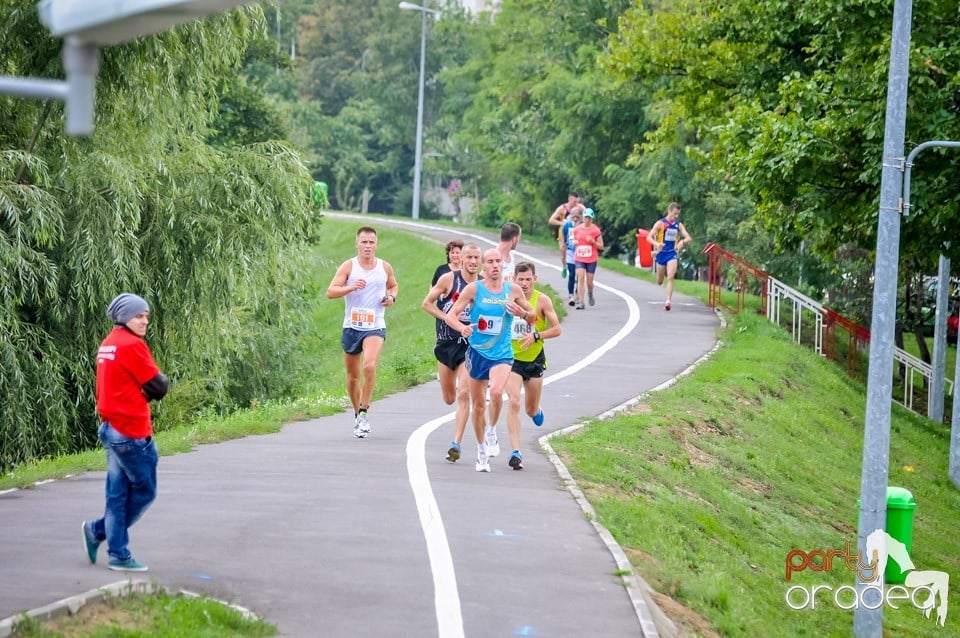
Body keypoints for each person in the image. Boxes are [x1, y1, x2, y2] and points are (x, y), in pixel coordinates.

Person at [82, 293, 169, 573]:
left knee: (117, 495)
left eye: (146, 316)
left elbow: (119, 383)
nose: (144, 321)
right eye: (138, 316)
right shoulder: (132, 345)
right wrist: (148, 389)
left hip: (110, 427)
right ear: (124, 317)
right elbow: (160, 386)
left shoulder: (108, 344)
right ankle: (99, 531)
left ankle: (116, 551)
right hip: (130, 431)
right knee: (145, 491)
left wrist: (143, 388)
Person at [443, 248, 533, 472]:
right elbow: (451, 316)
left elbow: (532, 315)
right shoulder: (474, 289)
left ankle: (492, 431)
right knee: (479, 406)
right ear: (484, 267)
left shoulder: (512, 289)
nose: (494, 265)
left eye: (497, 261)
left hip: (502, 353)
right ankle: (481, 451)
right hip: (477, 353)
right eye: (490, 262)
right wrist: (462, 328)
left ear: (502, 265)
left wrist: (521, 313)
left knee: (495, 393)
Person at [326, 226, 399, 437]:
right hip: (352, 326)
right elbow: (331, 292)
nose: (368, 246)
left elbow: (393, 286)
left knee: (369, 365)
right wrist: (350, 287)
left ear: (376, 244)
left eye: (371, 242)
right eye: (364, 242)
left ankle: (365, 411)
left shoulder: (384, 267)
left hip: (374, 326)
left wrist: (391, 298)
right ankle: (357, 414)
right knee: (352, 377)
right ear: (357, 244)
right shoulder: (349, 266)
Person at [421, 242, 482, 462]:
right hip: (446, 342)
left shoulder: (483, 285)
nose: (474, 261)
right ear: (461, 259)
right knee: (449, 398)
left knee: (464, 394)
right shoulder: (449, 279)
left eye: (477, 258)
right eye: (470, 257)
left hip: (470, 345)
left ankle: (455, 444)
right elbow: (426, 304)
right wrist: (445, 317)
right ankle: (450, 382)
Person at [504, 262, 561, 470]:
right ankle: (515, 452)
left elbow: (557, 329)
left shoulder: (542, 300)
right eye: (521, 279)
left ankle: (536, 409)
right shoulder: (507, 299)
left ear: (534, 279)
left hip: (535, 360)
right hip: (511, 360)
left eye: (529, 279)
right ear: (514, 280)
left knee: (529, 409)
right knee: (513, 401)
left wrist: (536, 335)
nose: (525, 284)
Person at [647, 202, 693, 311]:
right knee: (660, 280)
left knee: (671, 276)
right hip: (661, 254)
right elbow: (648, 237)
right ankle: (660, 280)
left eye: (678, 214)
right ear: (669, 211)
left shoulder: (678, 225)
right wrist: (657, 244)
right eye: (674, 214)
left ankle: (668, 301)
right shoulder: (660, 223)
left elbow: (688, 237)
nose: (676, 216)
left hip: (672, 253)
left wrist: (683, 242)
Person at [548, 192, 585, 278]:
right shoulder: (562, 208)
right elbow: (551, 220)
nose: (576, 204)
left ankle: (576, 270)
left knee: (575, 251)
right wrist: (563, 223)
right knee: (563, 252)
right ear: (569, 199)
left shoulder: (580, 208)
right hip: (564, 233)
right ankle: (565, 266)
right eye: (574, 202)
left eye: (577, 201)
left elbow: (588, 217)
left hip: (577, 233)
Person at [573, 208, 604, 309]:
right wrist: (574, 242)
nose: (587, 220)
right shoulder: (577, 229)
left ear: (592, 219)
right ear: (583, 217)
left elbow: (601, 246)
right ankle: (581, 302)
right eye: (586, 217)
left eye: (589, 218)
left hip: (591, 259)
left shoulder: (595, 230)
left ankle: (590, 293)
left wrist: (593, 242)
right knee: (580, 277)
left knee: (589, 282)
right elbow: (572, 240)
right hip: (579, 257)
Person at [561, 208, 582, 306]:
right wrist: (563, 253)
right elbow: (563, 240)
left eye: (577, 214)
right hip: (570, 252)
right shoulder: (567, 226)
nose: (575, 216)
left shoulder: (583, 225)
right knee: (572, 274)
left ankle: (578, 293)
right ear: (571, 215)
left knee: (580, 275)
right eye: (573, 214)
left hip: (581, 253)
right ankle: (571, 295)